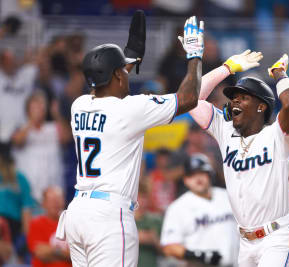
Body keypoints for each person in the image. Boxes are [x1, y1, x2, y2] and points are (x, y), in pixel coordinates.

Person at [57, 13, 204, 267]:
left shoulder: (79, 105)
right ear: (116, 75)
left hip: (78, 214)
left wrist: (126, 60)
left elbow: (102, 83)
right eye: (122, 71)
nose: (127, 75)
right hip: (109, 217)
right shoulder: (131, 109)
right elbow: (189, 97)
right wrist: (194, 55)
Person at [189, 51, 289, 266]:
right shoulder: (225, 131)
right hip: (245, 244)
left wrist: (279, 73)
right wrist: (226, 68)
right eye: (233, 98)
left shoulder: (277, 135)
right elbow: (191, 98)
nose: (234, 102)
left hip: (276, 237)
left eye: (243, 98)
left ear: (261, 106)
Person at [161, 153, 239, 266]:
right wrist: (199, 255)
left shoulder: (228, 196)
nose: (197, 178)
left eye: (201, 173)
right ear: (185, 180)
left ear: (210, 175)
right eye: (192, 175)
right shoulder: (177, 207)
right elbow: (169, 247)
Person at [27, 186, 71, 267]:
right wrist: (65, 254)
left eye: (58, 199)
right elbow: (40, 254)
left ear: (64, 201)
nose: (55, 203)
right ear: (43, 204)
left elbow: (77, 255)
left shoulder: (71, 223)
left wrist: (52, 251)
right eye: (51, 201)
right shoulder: (36, 224)